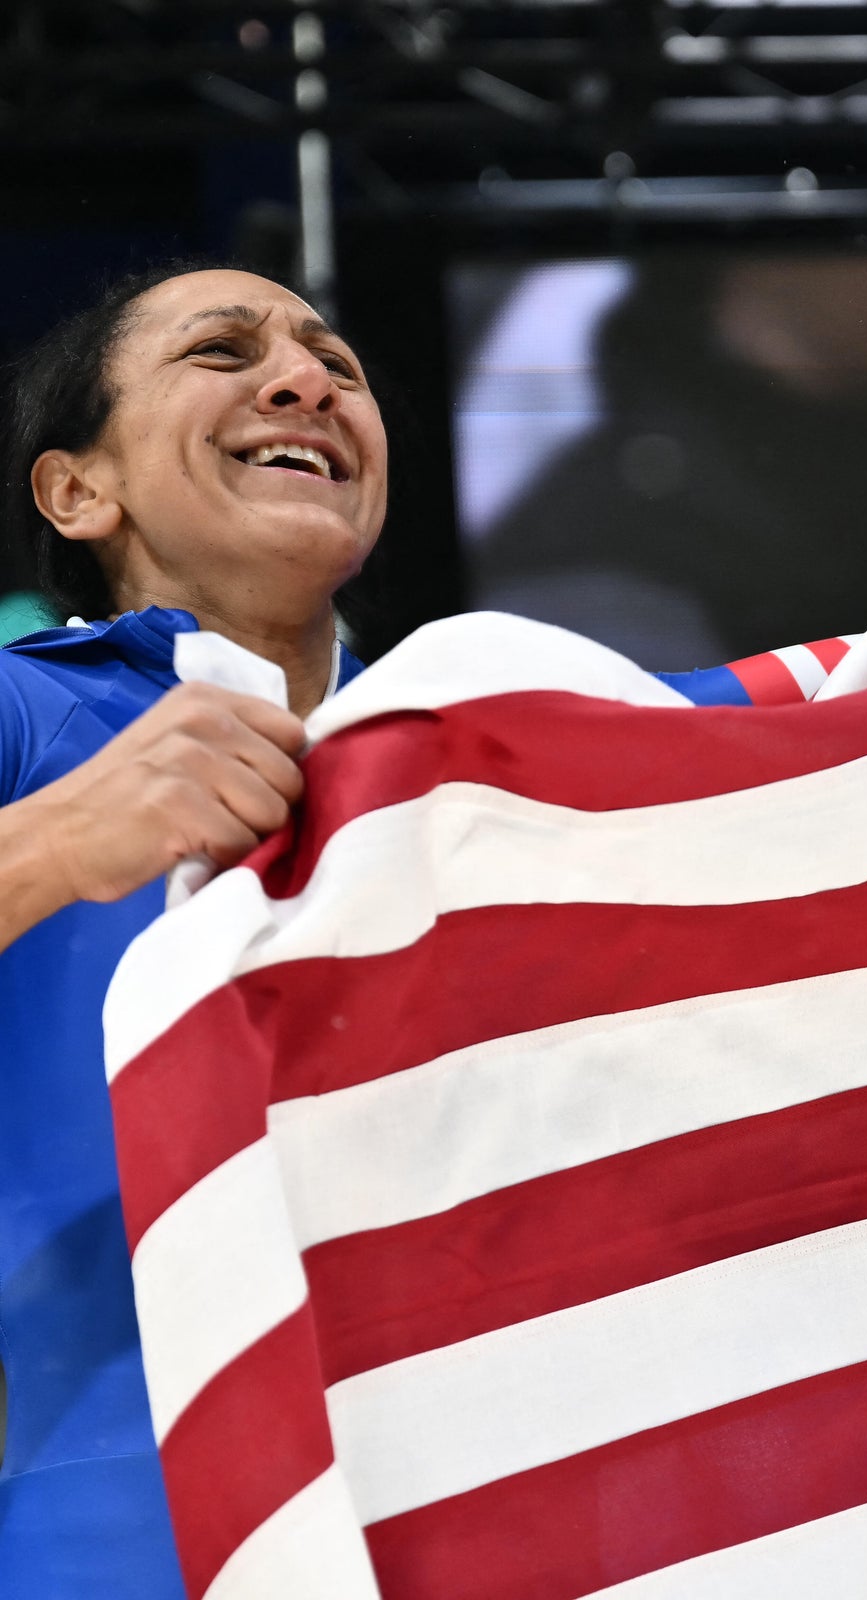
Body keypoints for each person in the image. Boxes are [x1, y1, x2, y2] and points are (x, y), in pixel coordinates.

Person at [0, 264, 386, 1596]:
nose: (305, 383)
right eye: (221, 351)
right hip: (109, 1526)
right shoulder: (21, 718)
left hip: (470, 1502)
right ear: (79, 492)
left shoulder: (496, 739)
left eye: (337, 364)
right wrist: (53, 843)